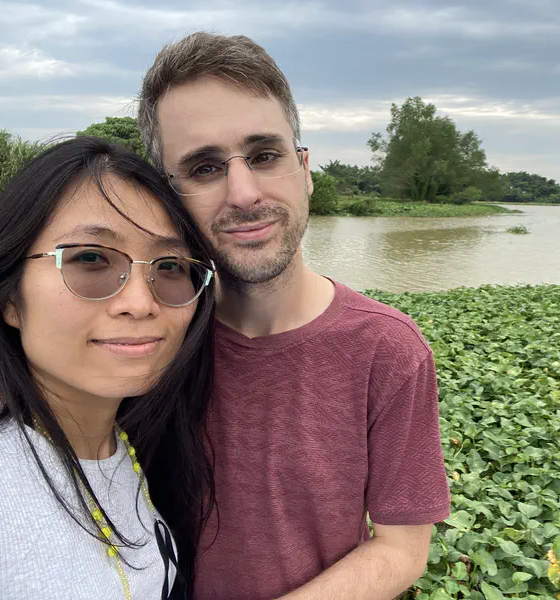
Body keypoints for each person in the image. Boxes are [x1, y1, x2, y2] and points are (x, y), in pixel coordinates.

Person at [138, 33, 451, 600]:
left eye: (264, 156)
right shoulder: (150, 333)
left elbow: (402, 548)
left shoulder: (388, 349)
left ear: (304, 169)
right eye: (205, 167)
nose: (244, 192)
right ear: (167, 195)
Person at [0, 137, 217, 599]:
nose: (140, 303)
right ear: (9, 297)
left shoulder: (133, 442)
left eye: (169, 265)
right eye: (90, 258)